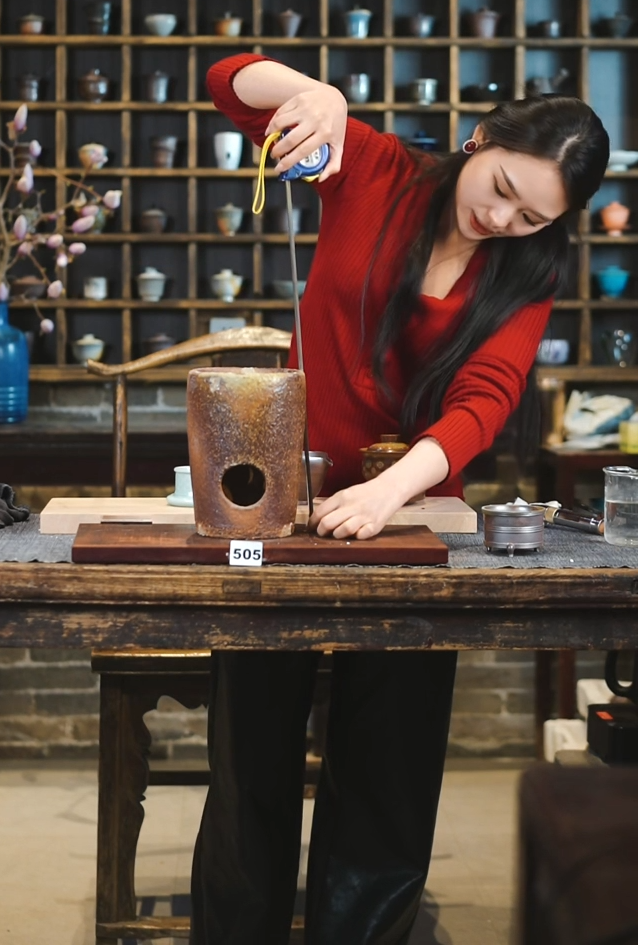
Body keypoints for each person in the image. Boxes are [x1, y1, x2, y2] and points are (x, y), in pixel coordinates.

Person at [190, 52, 609, 945]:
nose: (500, 218)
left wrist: (385, 494)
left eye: (531, 215)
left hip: (415, 516)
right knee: (248, 762)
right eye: (499, 187)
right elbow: (228, 79)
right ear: (478, 138)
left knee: (388, 774)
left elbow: (485, 400)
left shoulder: (526, 269)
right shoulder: (372, 165)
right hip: (282, 500)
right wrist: (319, 96)